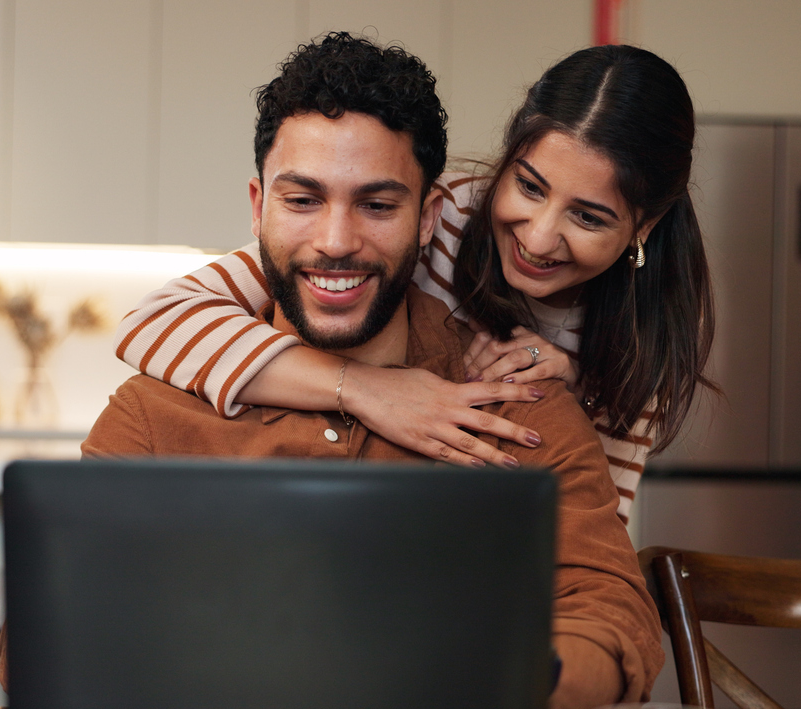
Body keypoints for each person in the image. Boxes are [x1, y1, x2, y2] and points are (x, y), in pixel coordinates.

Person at [83, 33, 662, 709]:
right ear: (257, 204)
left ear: (429, 218)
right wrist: (358, 385)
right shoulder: (152, 413)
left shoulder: (520, 407)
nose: (335, 240)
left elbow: (609, 619)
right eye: (301, 200)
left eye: (378, 206)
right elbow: (56, 640)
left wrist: (505, 679)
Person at [116, 43, 715, 521]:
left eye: (588, 217)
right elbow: (155, 321)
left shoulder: (645, 335)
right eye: (528, 187)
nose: (536, 237)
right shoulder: (440, 214)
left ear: (647, 223)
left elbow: (595, 528)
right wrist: (368, 388)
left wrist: (577, 383)